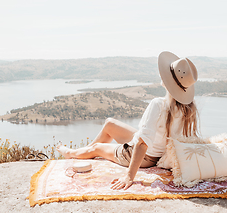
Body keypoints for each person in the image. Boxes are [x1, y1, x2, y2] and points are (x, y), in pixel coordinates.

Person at [56, 51, 199, 190]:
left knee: (97, 148)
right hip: (158, 152)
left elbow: (142, 143)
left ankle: (73, 153)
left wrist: (129, 176)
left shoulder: (159, 104)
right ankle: (85, 152)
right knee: (109, 124)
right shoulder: (188, 109)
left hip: (147, 157)